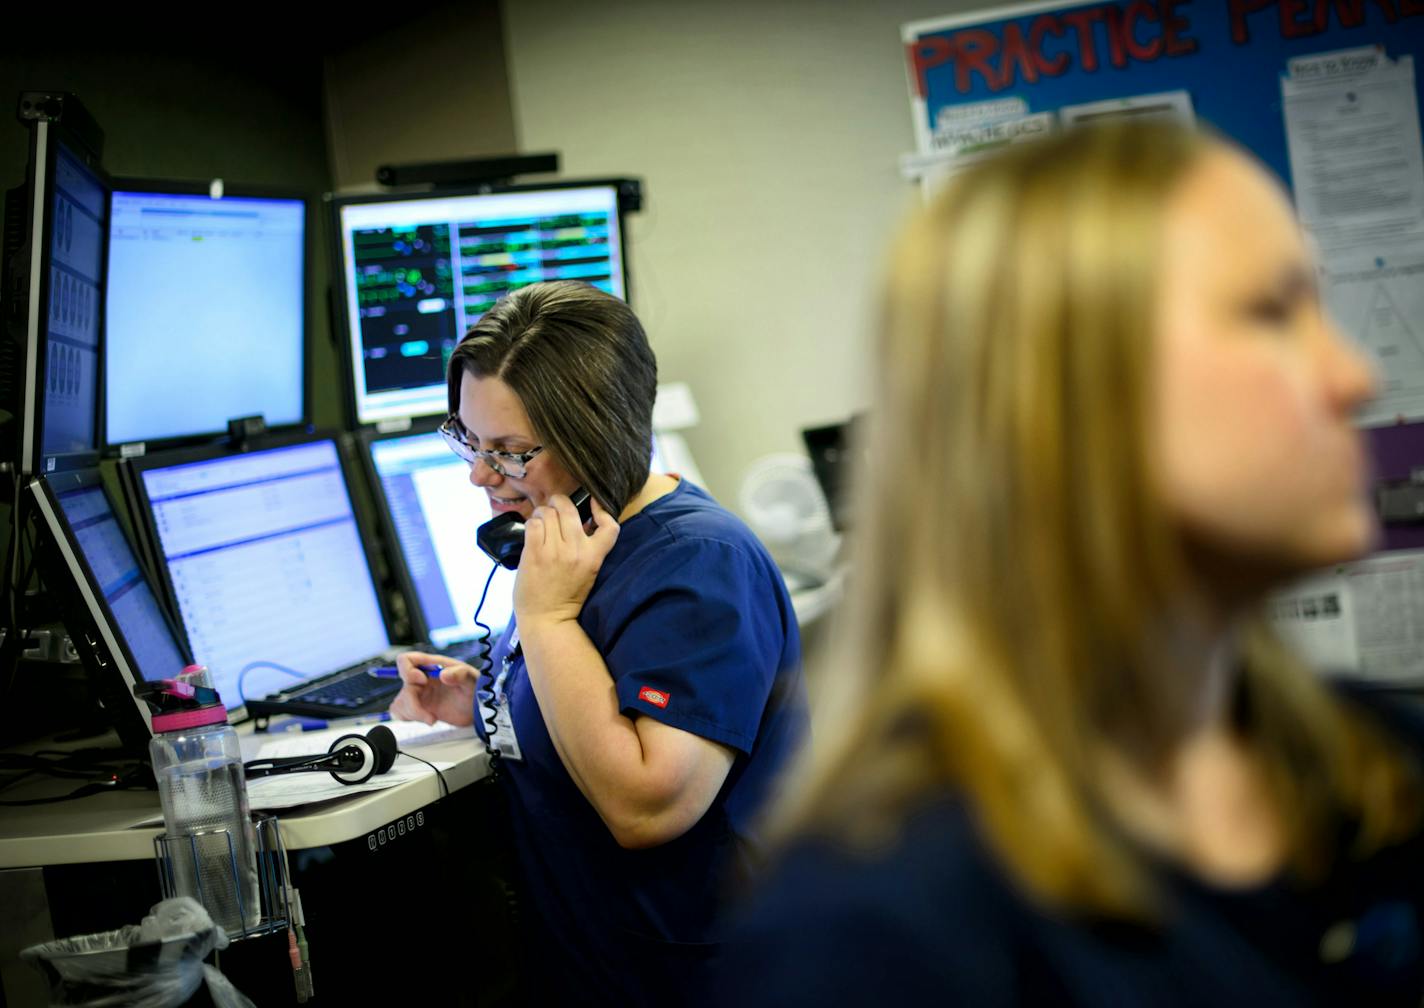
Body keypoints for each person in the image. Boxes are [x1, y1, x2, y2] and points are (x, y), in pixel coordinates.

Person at [718, 121, 1424, 1005]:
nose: (1355, 376)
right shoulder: (875, 930)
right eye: (1272, 314)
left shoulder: (1377, 767)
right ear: (1064, 399)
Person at [387, 279, 806, 1006]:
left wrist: (544, 621)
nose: (481, 477)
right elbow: (590, 699)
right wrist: (489, 700)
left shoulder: (700, 564)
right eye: (469, 441)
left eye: (511, 452)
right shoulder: (574, 539)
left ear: (598, 433)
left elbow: (646, 804)